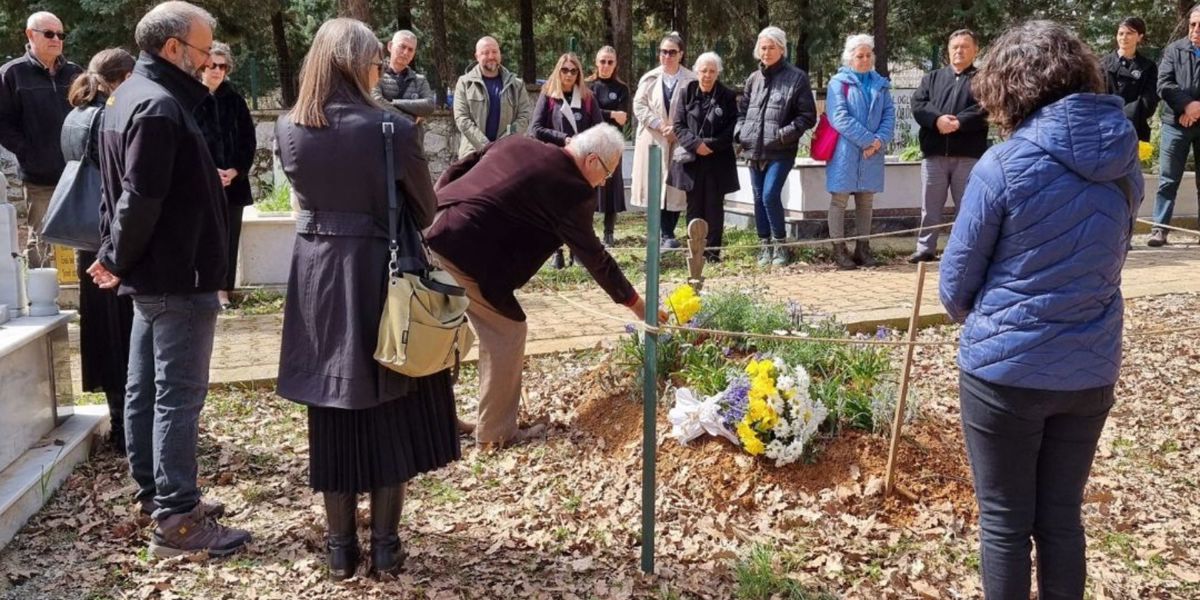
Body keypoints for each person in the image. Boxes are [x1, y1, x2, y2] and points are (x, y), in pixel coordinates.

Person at [939, 21, 1140, 600]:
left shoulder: (1002, 166)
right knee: (1060, 520)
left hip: (1005, 374)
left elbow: (954, 289)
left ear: (1012, 87)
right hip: (1090, 368)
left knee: (1005, 523)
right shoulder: (1124, 162)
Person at [275, 18, 456, 581]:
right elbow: (425, 213)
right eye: (376, 59)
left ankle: (338, 549)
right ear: (359, 63)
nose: (381, 67)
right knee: (388, 401)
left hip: (317, 279)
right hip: (378, 275)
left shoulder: (287, 127)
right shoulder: (392, 128)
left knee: (329, 408)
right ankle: (385, 546)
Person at [87, 0, 250, 559]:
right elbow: (139, 197)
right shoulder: (156, 106)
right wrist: (116, 258)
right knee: (177, 396)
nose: (210, 64)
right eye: (204, 52)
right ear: (174, 48)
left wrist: (118, 257)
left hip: (159, 275)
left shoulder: (130, 97)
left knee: (146, 389)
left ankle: (158, 494)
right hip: (176, 276)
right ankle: (177, 518)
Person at [427, 125, 655, 449]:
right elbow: (595, 257)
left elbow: (459, 166)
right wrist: (637, 304)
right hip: (461, 254)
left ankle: (438, 420)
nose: (604, 182)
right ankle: (495, 433)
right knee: (507, 331)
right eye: (607, 173)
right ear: (591, 160)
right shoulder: (573, 189)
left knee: (438, 332)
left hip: (432, 229)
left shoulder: (517, 142)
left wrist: (438, 205)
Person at [62, 48, 135, 454]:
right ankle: (127, 428)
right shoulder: (109, 117)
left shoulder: (75, 116)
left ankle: (120, 422)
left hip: (86, 238)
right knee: (121, 335)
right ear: (124, 78)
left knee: (102, 333)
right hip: (111, 237)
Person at [0, 11, 83, 267]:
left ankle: (80, 296)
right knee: (42, 240)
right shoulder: (12, 74)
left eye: (60, 34)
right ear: (30, 35)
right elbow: (3, 123)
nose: (56, 39)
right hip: (39, 177)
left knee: (82, 238)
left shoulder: (75, 73)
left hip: (76, 175)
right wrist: (28, 152)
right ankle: (40, 303)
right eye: (49, 34)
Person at [736, 26, 817, 266]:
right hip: (753, 149)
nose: (767, 52)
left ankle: (780, 245)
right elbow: (742, 111)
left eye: (772, 47)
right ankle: (764, 245)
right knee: (759, 197)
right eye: (763, 47)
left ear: (782, 49)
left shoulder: (797, 77)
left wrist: (783, 135)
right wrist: (741, 132)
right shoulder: (753, 79)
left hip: (781, 150)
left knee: (771, 194)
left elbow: (807, 116)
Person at [908, 29, 988, 263]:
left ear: (976, 50)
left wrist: (960, 123)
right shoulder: (931, 78)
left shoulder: (984, 80)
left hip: (968, 155)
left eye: (964, 46)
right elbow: (919, 104)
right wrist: (937, 120)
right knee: (929, 206)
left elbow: (985, 108)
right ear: (948, 50)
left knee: (967, 206)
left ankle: (962, 251)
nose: (959, 51)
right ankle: (925, 249)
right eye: (955, 47)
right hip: (934, 154)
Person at [825, 34, 895, 270]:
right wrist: (867, 141)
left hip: (872, 152)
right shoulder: (838, 83)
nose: (865, 60)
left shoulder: (881, 83)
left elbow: (889, 116)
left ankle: (863, 249)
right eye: (859, 56)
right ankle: (839, 249)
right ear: (849, 58)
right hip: (845, 152)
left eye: (868, 55)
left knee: (866, 201)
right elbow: (839, 118)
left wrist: (878, 141)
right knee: (840, 200)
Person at [530, 52, 604, 269]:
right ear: (558, 71)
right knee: (555, 208)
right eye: (565, 70)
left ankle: (578, 251)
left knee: (580, 208)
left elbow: (600, 130)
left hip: (582, 163)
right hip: (556, 160)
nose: (569, 75)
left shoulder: (588, 98)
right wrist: (564, 139)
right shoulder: (549, 95)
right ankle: (557, 252)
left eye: (574, 71)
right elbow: (535, 129)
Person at [202, 42, 256, 309]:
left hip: (233, 184)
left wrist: (236, 169)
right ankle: (203, 290)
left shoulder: (235, 99)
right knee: (203, 237)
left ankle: (223, 291)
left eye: (222, 66)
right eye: (212, 65)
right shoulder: (190, 98)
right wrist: (208, 171)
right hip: (200, 184)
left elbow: (248, 140)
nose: (217, 71)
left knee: (229, 238)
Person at [669, 52, 738, 262]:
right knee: (694, 206)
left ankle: (712, 253)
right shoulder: (686, 92)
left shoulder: (727, 95)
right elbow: (678, 125)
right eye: (704, 71)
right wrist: (696, 145)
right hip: (693, 161)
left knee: (714, 208)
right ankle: (695, 252)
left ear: (718, 73)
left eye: (712, 71)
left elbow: (732, 128)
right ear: (696, 72)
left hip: (718, 161)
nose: (707, 75)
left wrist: (710, 145)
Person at [631, 32, 695, 248]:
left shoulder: (691, 79)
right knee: (655, 184)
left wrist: (677, 130)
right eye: (663, 52)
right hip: (654, 139)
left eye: (672, 52)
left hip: (679, 139)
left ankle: (668, 232)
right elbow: (639, 105)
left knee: (675, 187)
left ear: (681, 54)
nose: (667, 56)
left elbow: (695, 109)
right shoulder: (650, 78)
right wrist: (659, 125)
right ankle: (662, 234)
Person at [1152, 6, 1200, 247]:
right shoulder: (1174, 50)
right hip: (1175, 123)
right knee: (1168, 179)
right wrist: (1186, 106)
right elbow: (1164, 84)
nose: (1196, 30)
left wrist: (1196, 108)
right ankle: (1159, 229)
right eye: (1192, 24)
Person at [453, 36, 531, 159]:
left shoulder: (516, 85)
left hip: (507, 155)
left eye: (495, 52)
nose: (491, 56)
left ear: (500, 53)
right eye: (485, 53)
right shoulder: (464, 83)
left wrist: (502, 145)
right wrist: (486, 147)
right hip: (473, 155)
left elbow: (524, 117)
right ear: (477, 56)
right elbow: (462, 118)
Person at [587, 46, 630, 247]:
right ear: (596, 63)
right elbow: (587, 113)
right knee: (587, 188)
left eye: (610, 62)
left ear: (615, 64)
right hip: (588, 143)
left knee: (611, 187)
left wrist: (602, 113)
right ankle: (587, 230)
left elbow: (622, 119)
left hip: (612, 144)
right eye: (602, 61)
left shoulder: (622, 89)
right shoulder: (587, 86)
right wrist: (610, 114)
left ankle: (609, 233)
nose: (606, 65)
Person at [372, 29, 435, 145]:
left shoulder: (419, 80)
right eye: (402, 46)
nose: (406, 52)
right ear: (390, 46)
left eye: (410, 49)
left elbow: (430, 105)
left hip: (411, 143)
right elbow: (376, 102)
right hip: (381, 141)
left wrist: (394, 102)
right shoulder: (375, 74)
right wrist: (410, 119)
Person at [1101, 18, 1158, 144]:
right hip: (1106, 127)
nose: (1124, 37)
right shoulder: (1102, 64)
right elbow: (1097, 95)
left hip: (1136, 127)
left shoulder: (1148, 66)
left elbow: (1149, 99)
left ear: (1139, 37)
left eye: (1129, 33)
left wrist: (1128, 116)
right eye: (1121, 33)